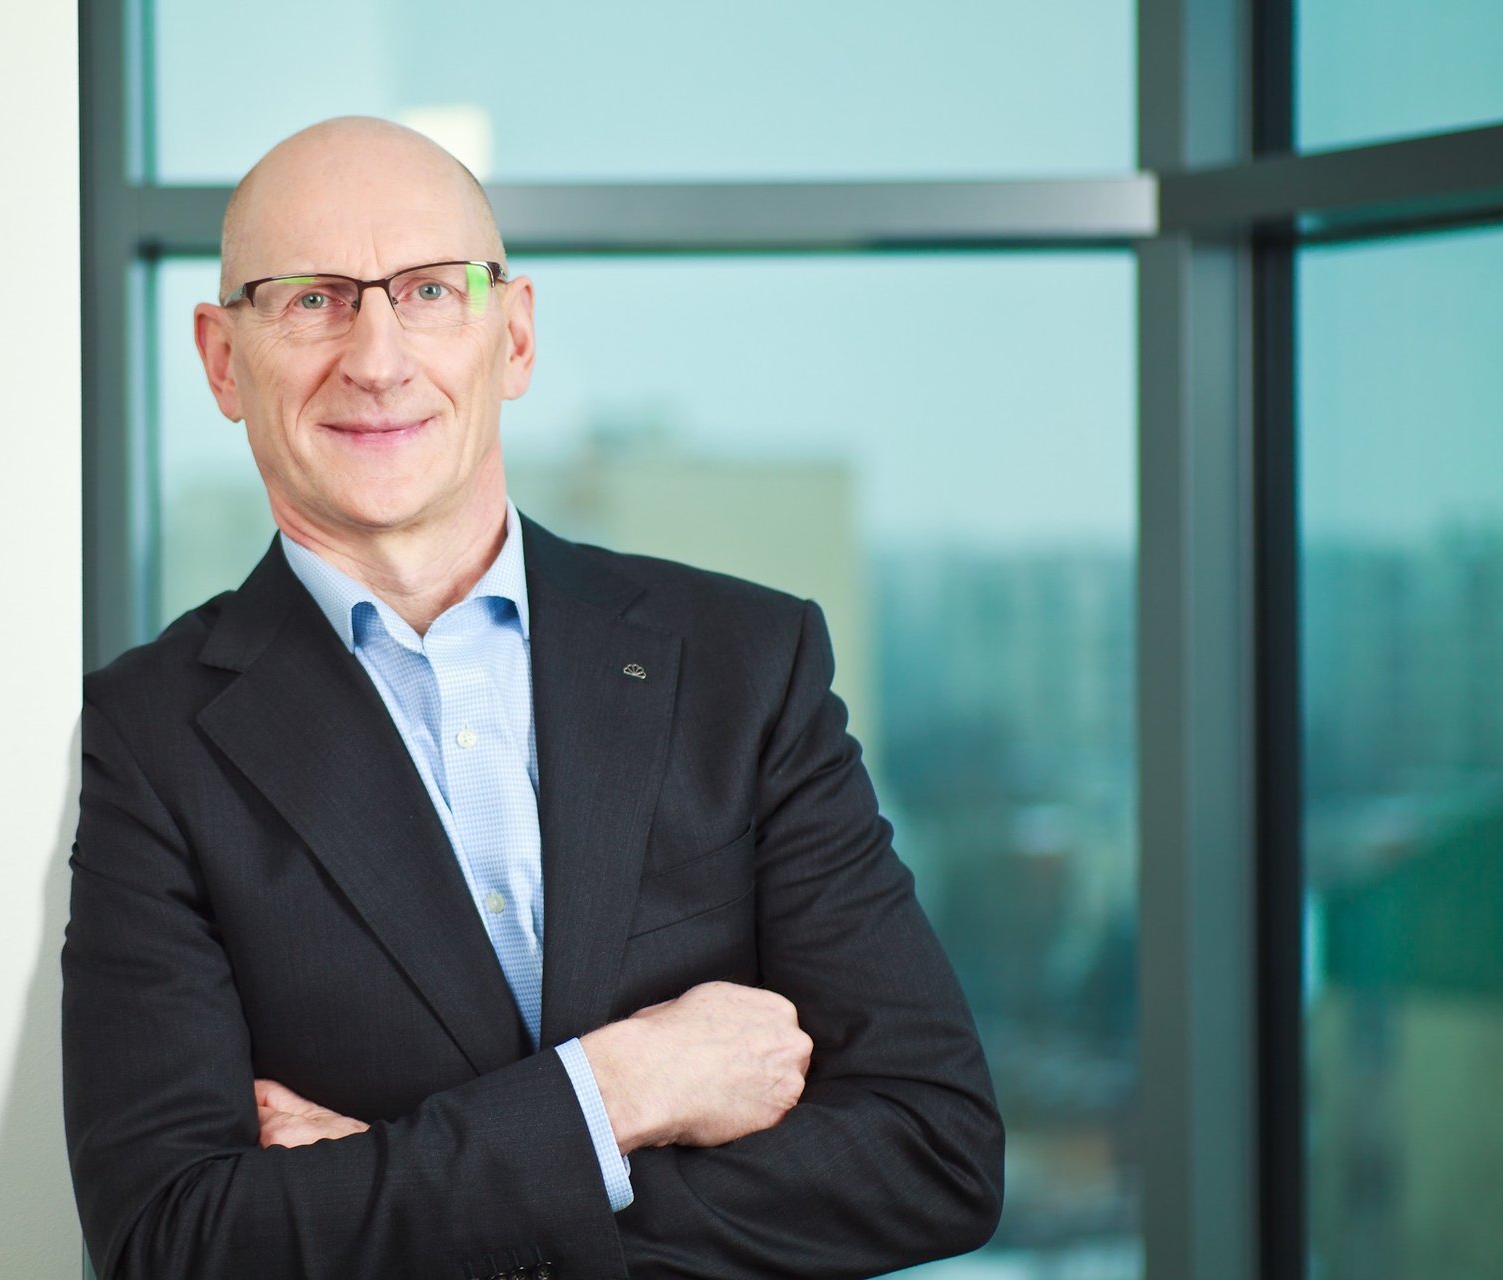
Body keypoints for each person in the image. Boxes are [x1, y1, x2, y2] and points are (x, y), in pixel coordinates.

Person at [62, 116, 1003, 1280]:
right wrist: (622, 1086)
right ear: (221, 360)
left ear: (512, 335)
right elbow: (173, 1242)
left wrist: (424, 1199)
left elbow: (934, 1148)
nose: (376, 358)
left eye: (427, 291)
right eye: (311, 299)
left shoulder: (744, 663)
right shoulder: (152, 737)